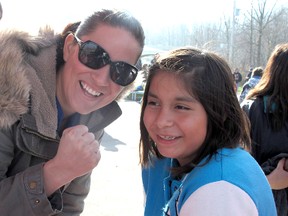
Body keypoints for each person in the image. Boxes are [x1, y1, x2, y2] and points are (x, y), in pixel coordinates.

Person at [0, 9, 145, 215]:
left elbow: (70, 207)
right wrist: (56, 173)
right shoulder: (6, 88)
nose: (102, 80)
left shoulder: (93, 120)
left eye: (121, 71)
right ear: (69, 47)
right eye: (94, 55)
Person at [139, 47, 277, 215]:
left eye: (181, 107)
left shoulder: (219, 192)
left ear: (220, 112)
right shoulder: (164, 161)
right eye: (153, 102)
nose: (161, 121)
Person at [241, 43, 288, 216]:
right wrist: (269, 182)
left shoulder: (250, 108)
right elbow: (234, 167)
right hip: (260, 203)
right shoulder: (252, 109)